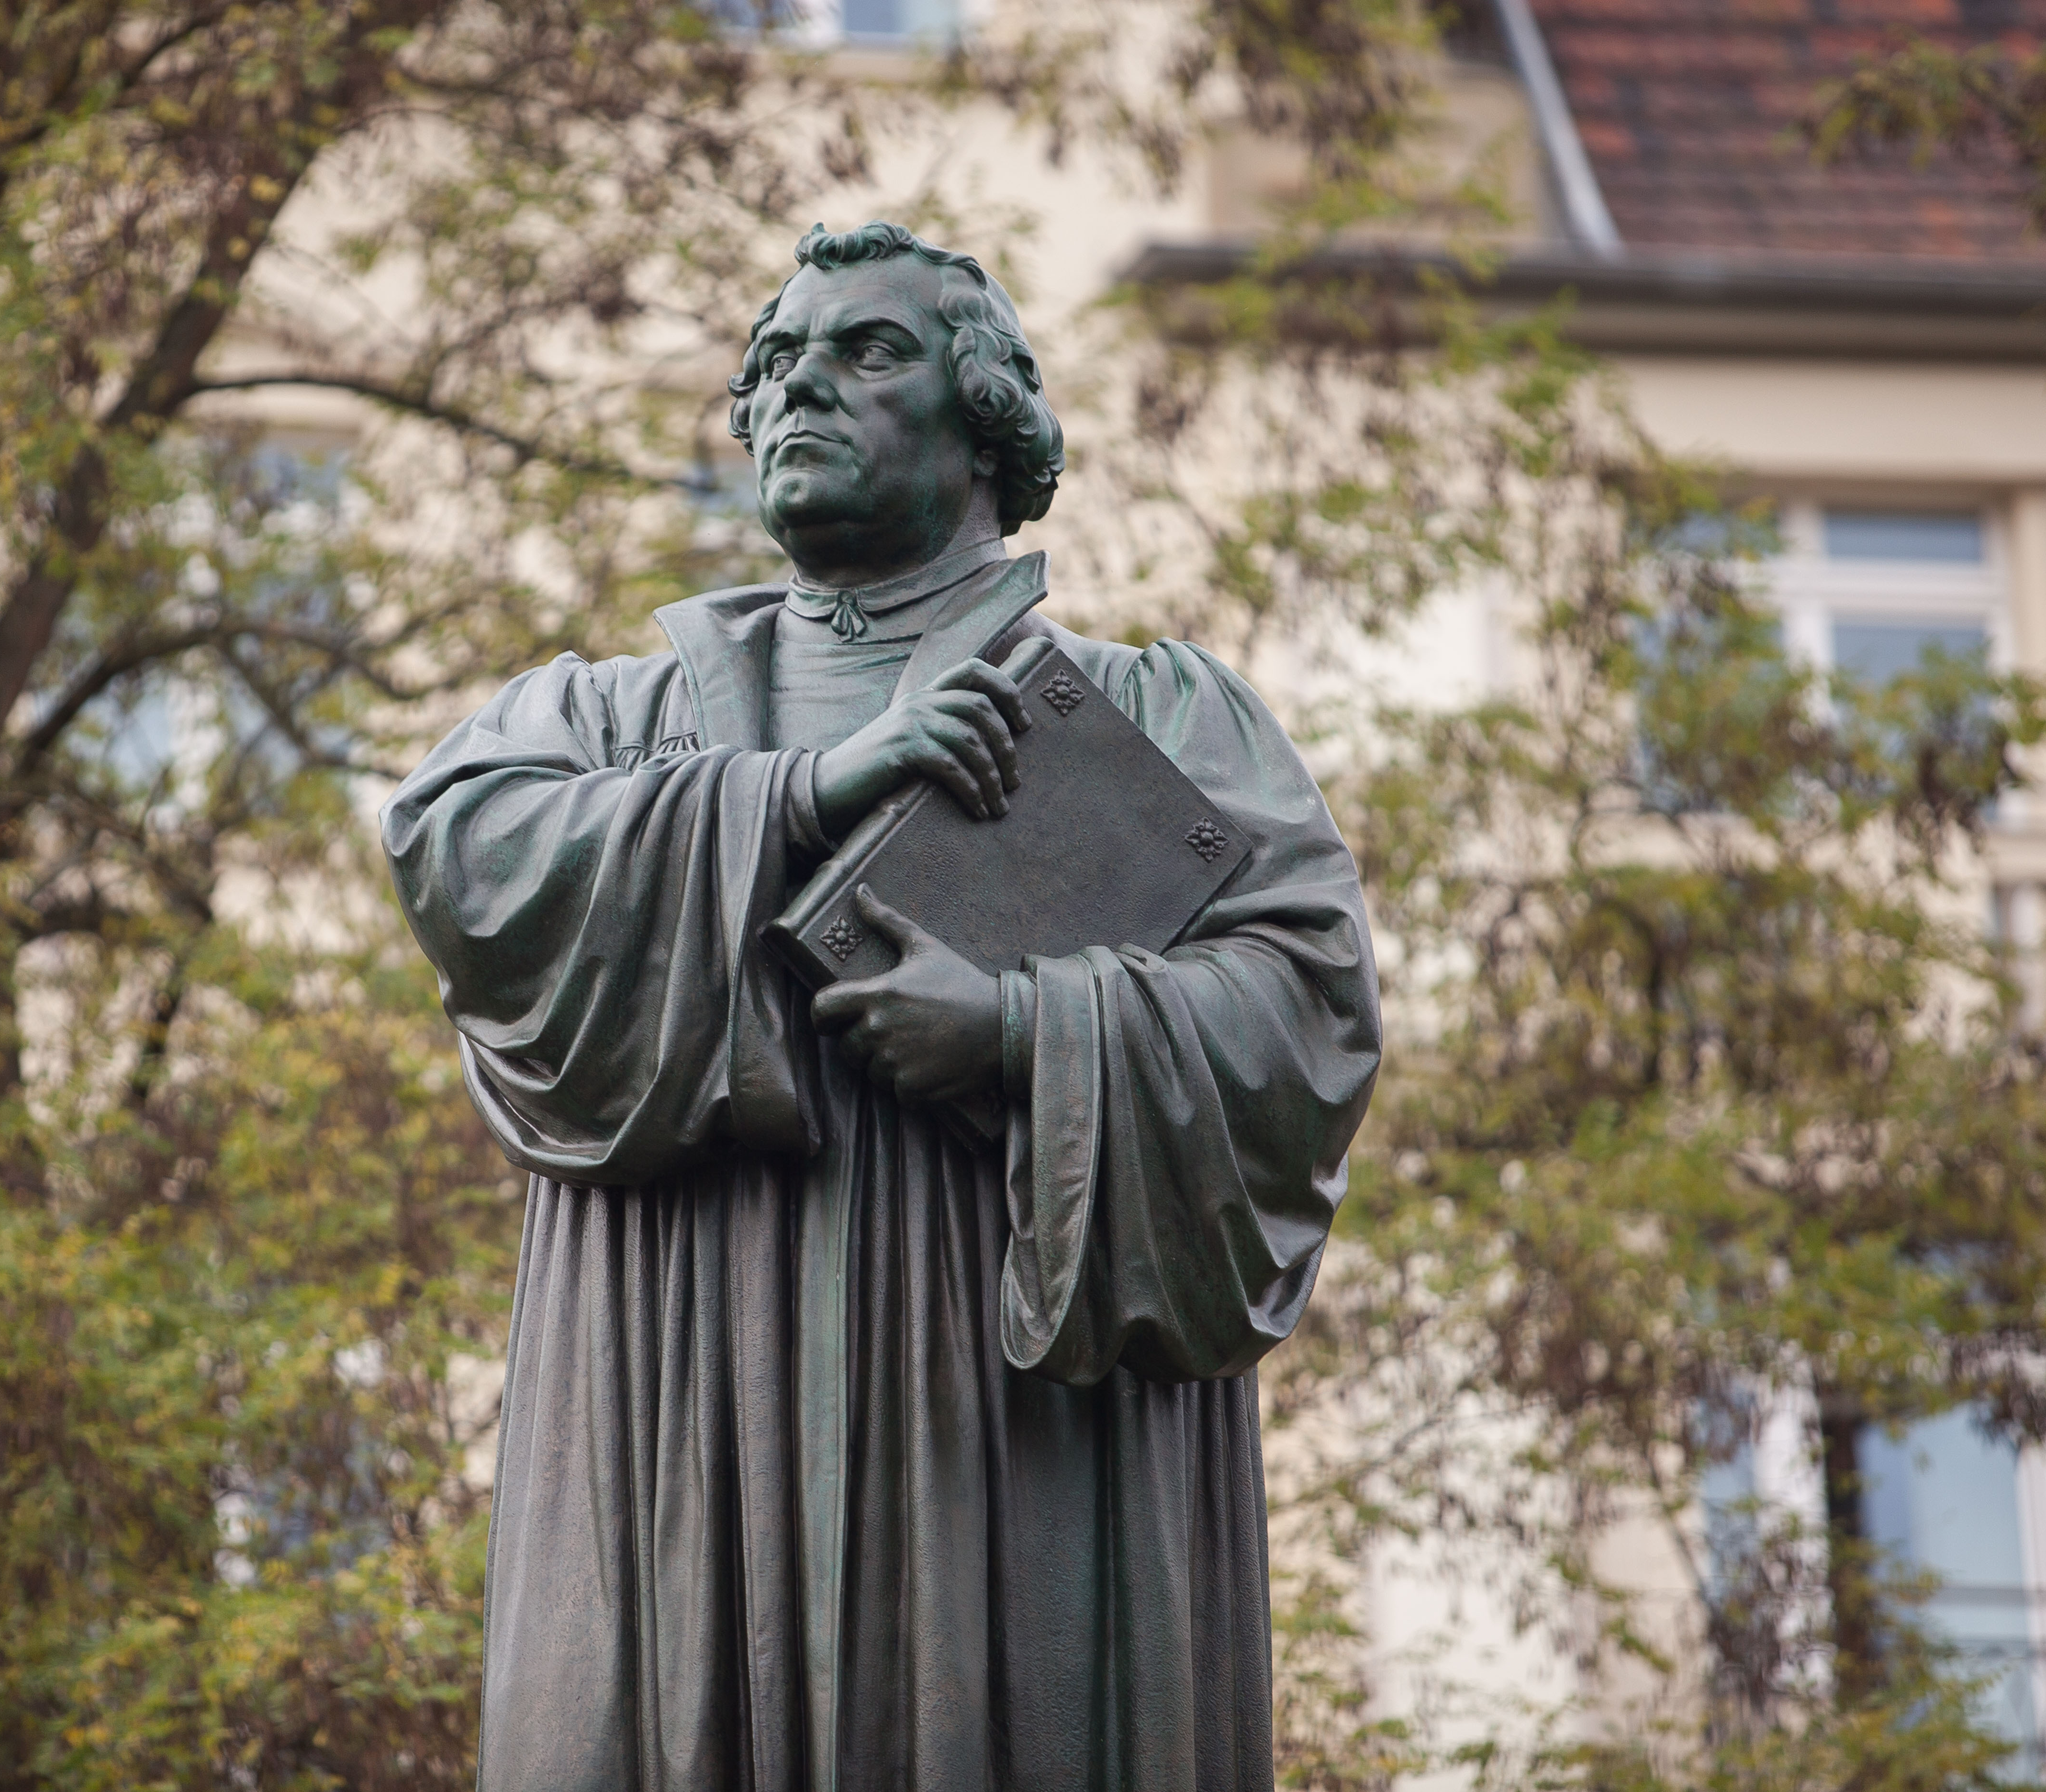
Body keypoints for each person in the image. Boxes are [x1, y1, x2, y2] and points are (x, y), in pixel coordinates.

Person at [383, 221, 1380, 1792]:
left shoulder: (1153, 718)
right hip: (683, 1411)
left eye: (865, 353)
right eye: (777, 361)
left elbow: (1304, 1012)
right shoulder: (604, 717)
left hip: (1010, 1449)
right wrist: (803, 791)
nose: (801, 388)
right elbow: (459, 853)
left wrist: (1022, 1036)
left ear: (986, 420)